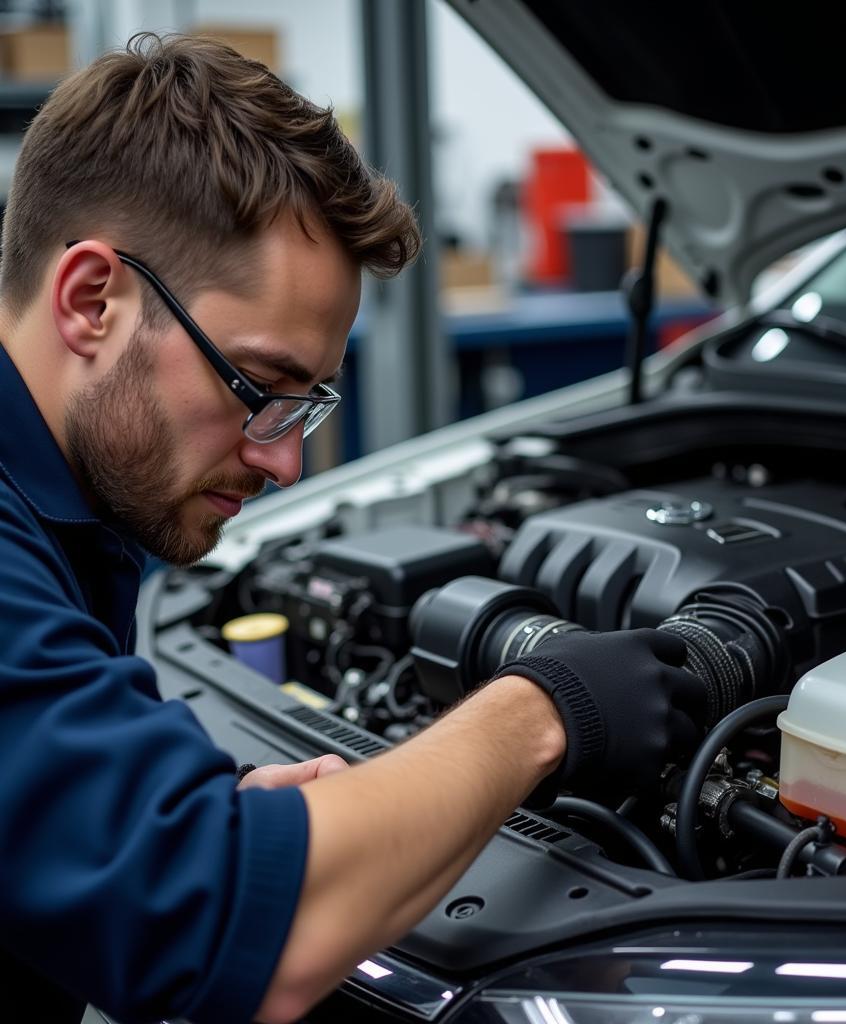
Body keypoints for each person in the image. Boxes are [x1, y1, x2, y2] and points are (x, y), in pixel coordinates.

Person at [0, 33, 699, 1024]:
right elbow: (219, 927)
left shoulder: (67, 497)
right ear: (90, 300)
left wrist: (210, 805)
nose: (285, 462)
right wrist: (544, 707)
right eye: (261, 387)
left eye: (307, 406)